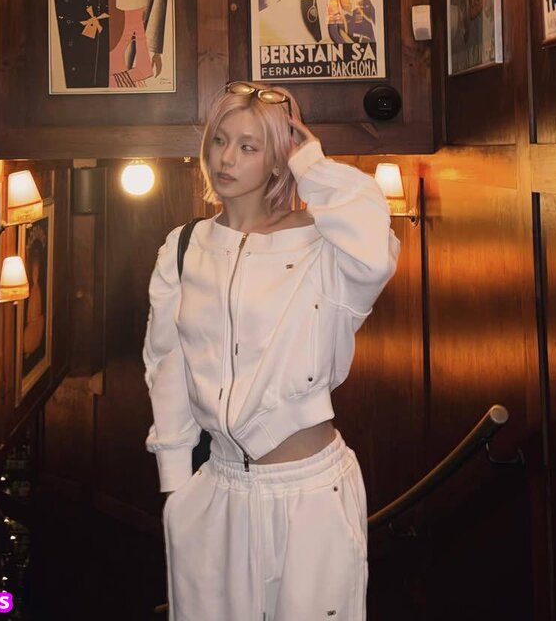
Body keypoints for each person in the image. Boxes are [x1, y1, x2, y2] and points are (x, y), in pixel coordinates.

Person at [143, 81, 400, 620]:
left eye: (249, 146)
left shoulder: (323, 246)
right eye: (220, 140)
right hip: (215, 491)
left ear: (279, 160)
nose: (226, 159)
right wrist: (176, 486)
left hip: (310, 493)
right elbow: (167, 366)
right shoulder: (183, 247)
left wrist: (312, 162)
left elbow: (376, 255)